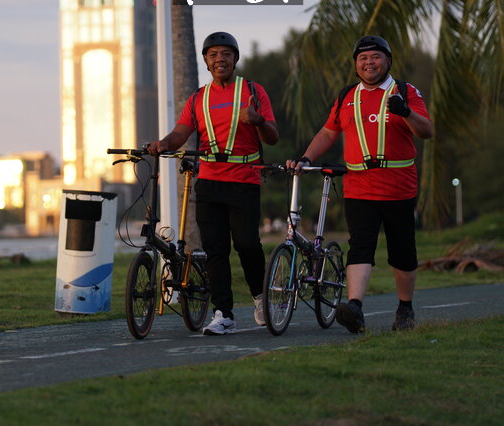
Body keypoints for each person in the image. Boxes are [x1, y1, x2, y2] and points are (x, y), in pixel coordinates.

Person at [290, 35, 432, 333]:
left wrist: (405, 111)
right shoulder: (347, 96)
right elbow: (328, 132)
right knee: (360, 247)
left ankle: (405, 308)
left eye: (375, 57)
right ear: (356, 65)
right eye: (362, 58)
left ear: (388, 61)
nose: (369, 63)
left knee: (402, 250)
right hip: (359, 186)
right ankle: (354, 307)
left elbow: (426, 131)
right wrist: (306, 157)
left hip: (398, 187)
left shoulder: (404, 91)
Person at [147, 31, 278, 335]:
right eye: (213, 55)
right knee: (215, 251)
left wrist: (258, 120)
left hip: (244, 181)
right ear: (206, 61)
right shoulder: (199, 97)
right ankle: (224, 314)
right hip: (209, 182)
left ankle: (260, 297)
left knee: (247, 245)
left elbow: (273, 136)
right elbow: (180, 133)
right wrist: (163, 143)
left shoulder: (253, 91)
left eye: (226, 54)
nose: (220, 59)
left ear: (235, 59)